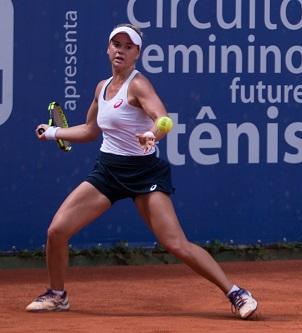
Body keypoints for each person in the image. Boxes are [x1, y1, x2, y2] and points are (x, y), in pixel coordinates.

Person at [27, 23, 258, 319]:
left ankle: (236, 293)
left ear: (137, 53)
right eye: (116, 44)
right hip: (108, 170)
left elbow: (164, 119)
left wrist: (153, 134)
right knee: (57, 231)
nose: (120, 50)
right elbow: (89, 130)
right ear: (108, 48)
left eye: (128, 46)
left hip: (144, 173)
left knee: (175, 244)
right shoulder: (101, 88)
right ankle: (57, 295)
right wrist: (53, 132)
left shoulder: (138, 85)